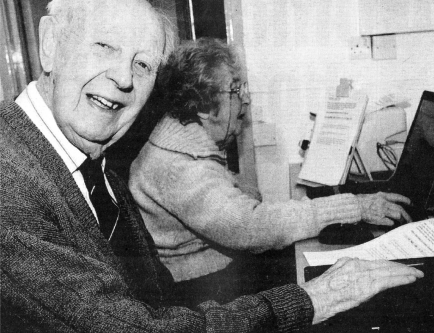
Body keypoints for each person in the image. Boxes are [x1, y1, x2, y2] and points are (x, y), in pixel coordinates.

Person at [0, 0, 423, 333]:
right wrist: (313, 299)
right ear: (51, 43)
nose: (125, 78)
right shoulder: (9, 173)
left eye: (143, 64)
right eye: (104, 46)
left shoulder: (93, 157)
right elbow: (130, 328)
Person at [129, 38, 414, 304]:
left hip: (208, 274)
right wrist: (354, 207)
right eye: (236, 89)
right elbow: (249, 227)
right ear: (204, 106)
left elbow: (234, 206)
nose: (246, 99)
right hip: (197, 290)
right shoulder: (179, 165)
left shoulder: (182, 142)